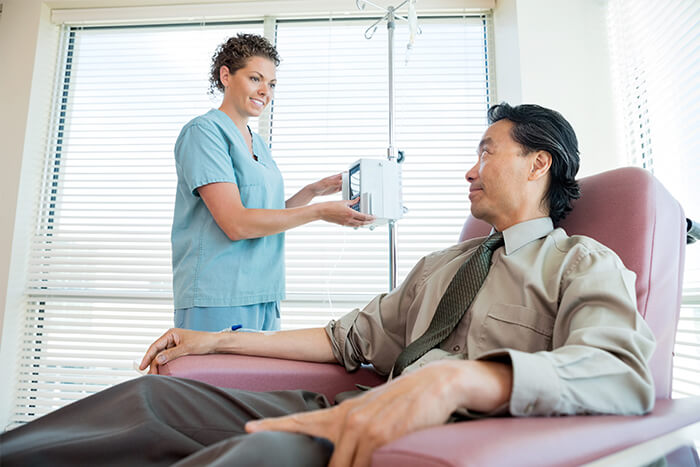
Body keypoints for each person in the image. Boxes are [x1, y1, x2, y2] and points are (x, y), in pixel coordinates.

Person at [0, 103, 656, 467]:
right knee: (153, 399)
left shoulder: (580, 263)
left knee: (255, 456)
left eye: (487, 151)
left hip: (420, 428)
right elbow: (348, 339)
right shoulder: (442, 265)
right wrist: (215, 339)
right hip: (344, 399)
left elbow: (620, 371)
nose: (469, 169)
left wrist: (461, 378)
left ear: (539, 161)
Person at [171, 33, 373, 333]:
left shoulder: (258, 144)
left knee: (258, 381)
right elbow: (237, 223)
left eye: (272, 84)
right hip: (218, 295)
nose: (265, 91)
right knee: (214, 381)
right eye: (255, 78)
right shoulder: (205, 133)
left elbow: (268, 213)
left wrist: (313, 192)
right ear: (226, 76)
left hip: (264, 293)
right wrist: (320, 212)